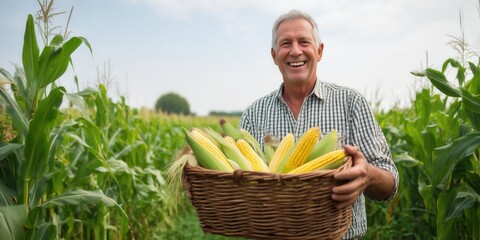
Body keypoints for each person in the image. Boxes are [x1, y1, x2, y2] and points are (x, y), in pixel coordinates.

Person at [239, 9, 399, 239]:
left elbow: (390, 182)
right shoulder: (254, 114)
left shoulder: (351, 103)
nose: (295, 51)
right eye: (286, 43)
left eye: (304, 41)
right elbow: (240, 184)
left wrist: (367, 175)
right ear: (274, 55)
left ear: (319, 51)